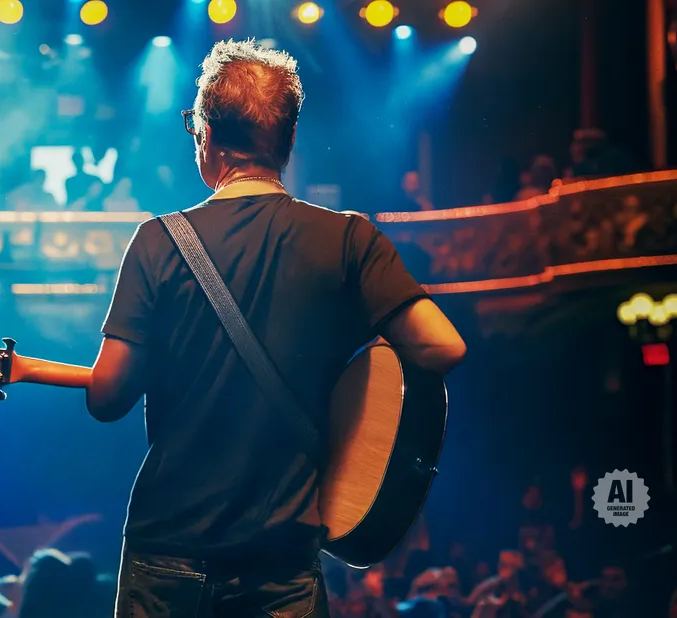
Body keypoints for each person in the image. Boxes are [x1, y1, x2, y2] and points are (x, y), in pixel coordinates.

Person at [27, 39, 466, 617]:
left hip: (168, 558)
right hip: (282, 563)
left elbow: (109, 400)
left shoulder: (158, 242)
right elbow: (443, 346)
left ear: (206, 135)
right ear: (287, 142)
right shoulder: (349, 241)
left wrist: (32, 368)